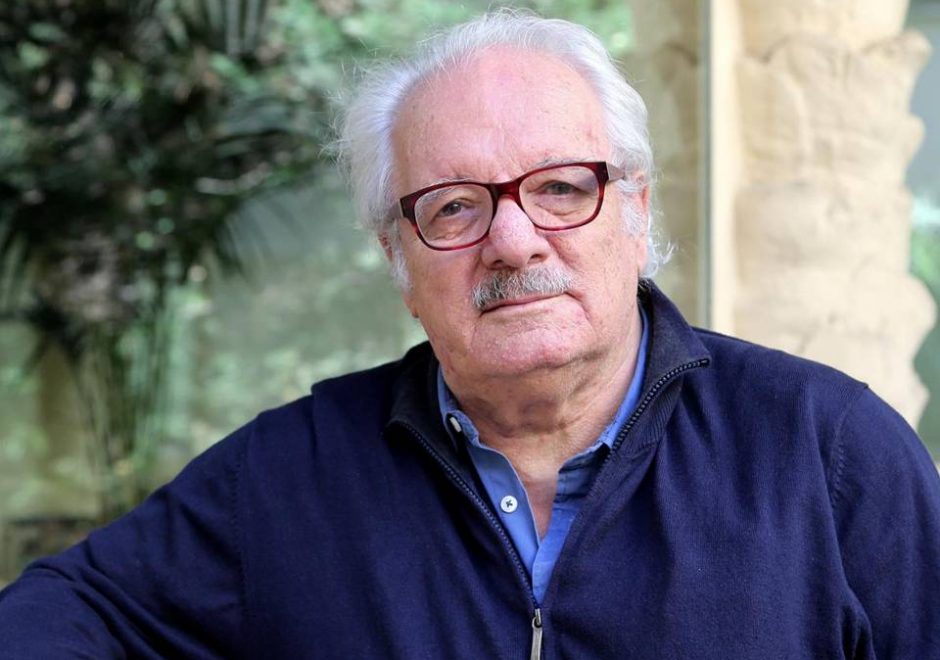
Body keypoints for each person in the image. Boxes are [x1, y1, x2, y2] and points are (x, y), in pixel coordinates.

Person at [1, 9, 939, 659]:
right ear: (399, 257)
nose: (514, 240)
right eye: (453, 206)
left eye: (561, 188)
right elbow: (65, 616)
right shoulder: (289, 473)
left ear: (636, 212)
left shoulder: (827, 453)